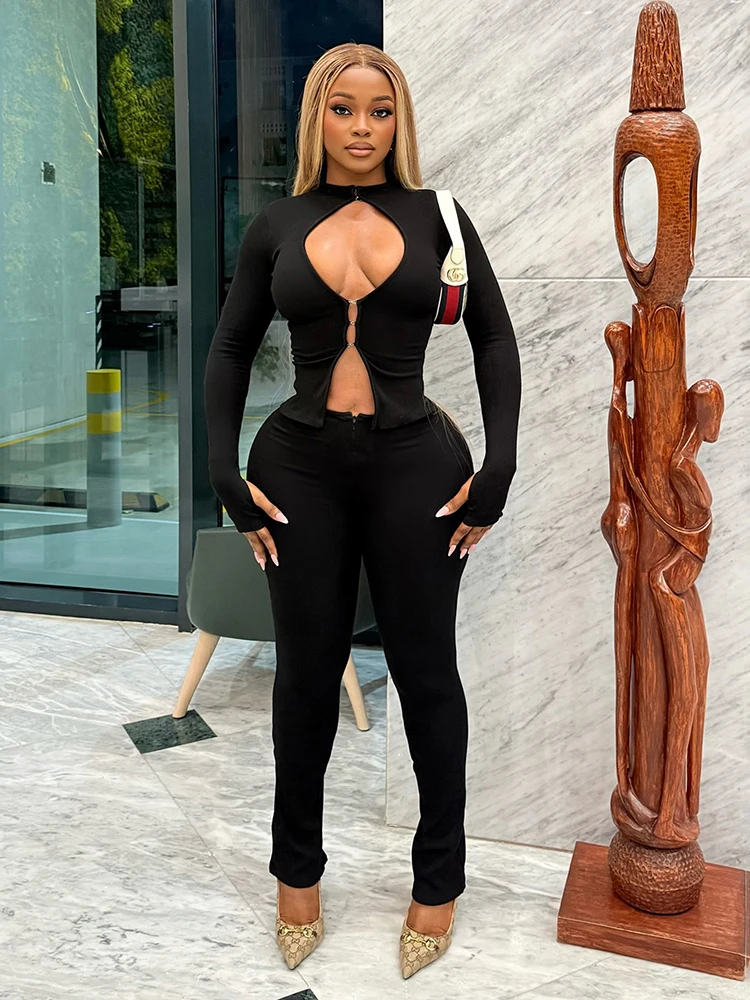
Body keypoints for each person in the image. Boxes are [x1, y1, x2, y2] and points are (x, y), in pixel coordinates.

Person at [203, 41, 522, 978]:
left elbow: (495, 338)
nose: (361, 127)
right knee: (304, 676)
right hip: (297, 468)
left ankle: (439, 881)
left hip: (417, 466)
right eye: (342, 109)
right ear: (317, 118)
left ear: (399, 121)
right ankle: (295, 876)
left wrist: (500, 466)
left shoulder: (439, 216)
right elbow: (229, 349)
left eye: (380, 111)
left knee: (427, 674)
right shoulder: (276, 223)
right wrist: (223, 471)